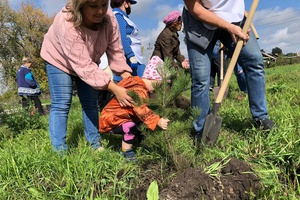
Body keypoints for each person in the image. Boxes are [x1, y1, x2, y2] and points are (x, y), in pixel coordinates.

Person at [40, 0, 134, 152]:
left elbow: (116, 51)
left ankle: (95, 145)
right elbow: (82, 65)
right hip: (59, 60)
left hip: (88, 61)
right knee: (62, 104)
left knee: (90, 103)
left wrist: (128, 79)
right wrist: (115, 89)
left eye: (104, 5)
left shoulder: (109, 19)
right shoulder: (67, 21)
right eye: (93, 6)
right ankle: (59, 151)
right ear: (81, 5)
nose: (100, 11)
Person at [182, 0, 274, 138]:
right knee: (201, 78)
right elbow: (195, 8)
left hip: (234, 18)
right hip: (199, 22)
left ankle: (261, 117)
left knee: (254, 60)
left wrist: (233, 26)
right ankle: (201, 129)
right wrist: (228, 27)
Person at [99, 67, 170, 161]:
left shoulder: (138, 85)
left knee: (142, 124)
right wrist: (157, 120)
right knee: (131, 127)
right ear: (153, 80)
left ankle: (143, 143)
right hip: (112, 120)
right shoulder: (138, 90)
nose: (156, 90)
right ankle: (126, 152)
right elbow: (140, 109)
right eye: (158, 86)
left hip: (119, 117)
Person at [110, 0, 146, 82]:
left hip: (132, 58)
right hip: (130, 59)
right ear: (125, 3)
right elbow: (121, 37)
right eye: (130, 3)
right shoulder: (118, 16)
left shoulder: (122, 16)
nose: (130, 6)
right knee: (143, 83)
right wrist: (130, 56)